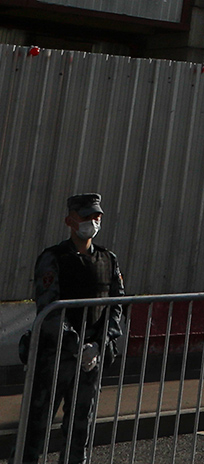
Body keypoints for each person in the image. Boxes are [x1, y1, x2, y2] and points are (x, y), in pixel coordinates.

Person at [22, 195, 125, 464]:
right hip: (56, 356)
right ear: (70, 220)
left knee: (81, 427)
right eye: (87, 216)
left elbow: (117, 305)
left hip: (91, 357)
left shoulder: (108, 259)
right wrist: (76, 345)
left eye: (97, 217)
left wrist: (100, 344)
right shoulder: (53, 258)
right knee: (36, 426)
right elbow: (49, 307)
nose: (93, 222)